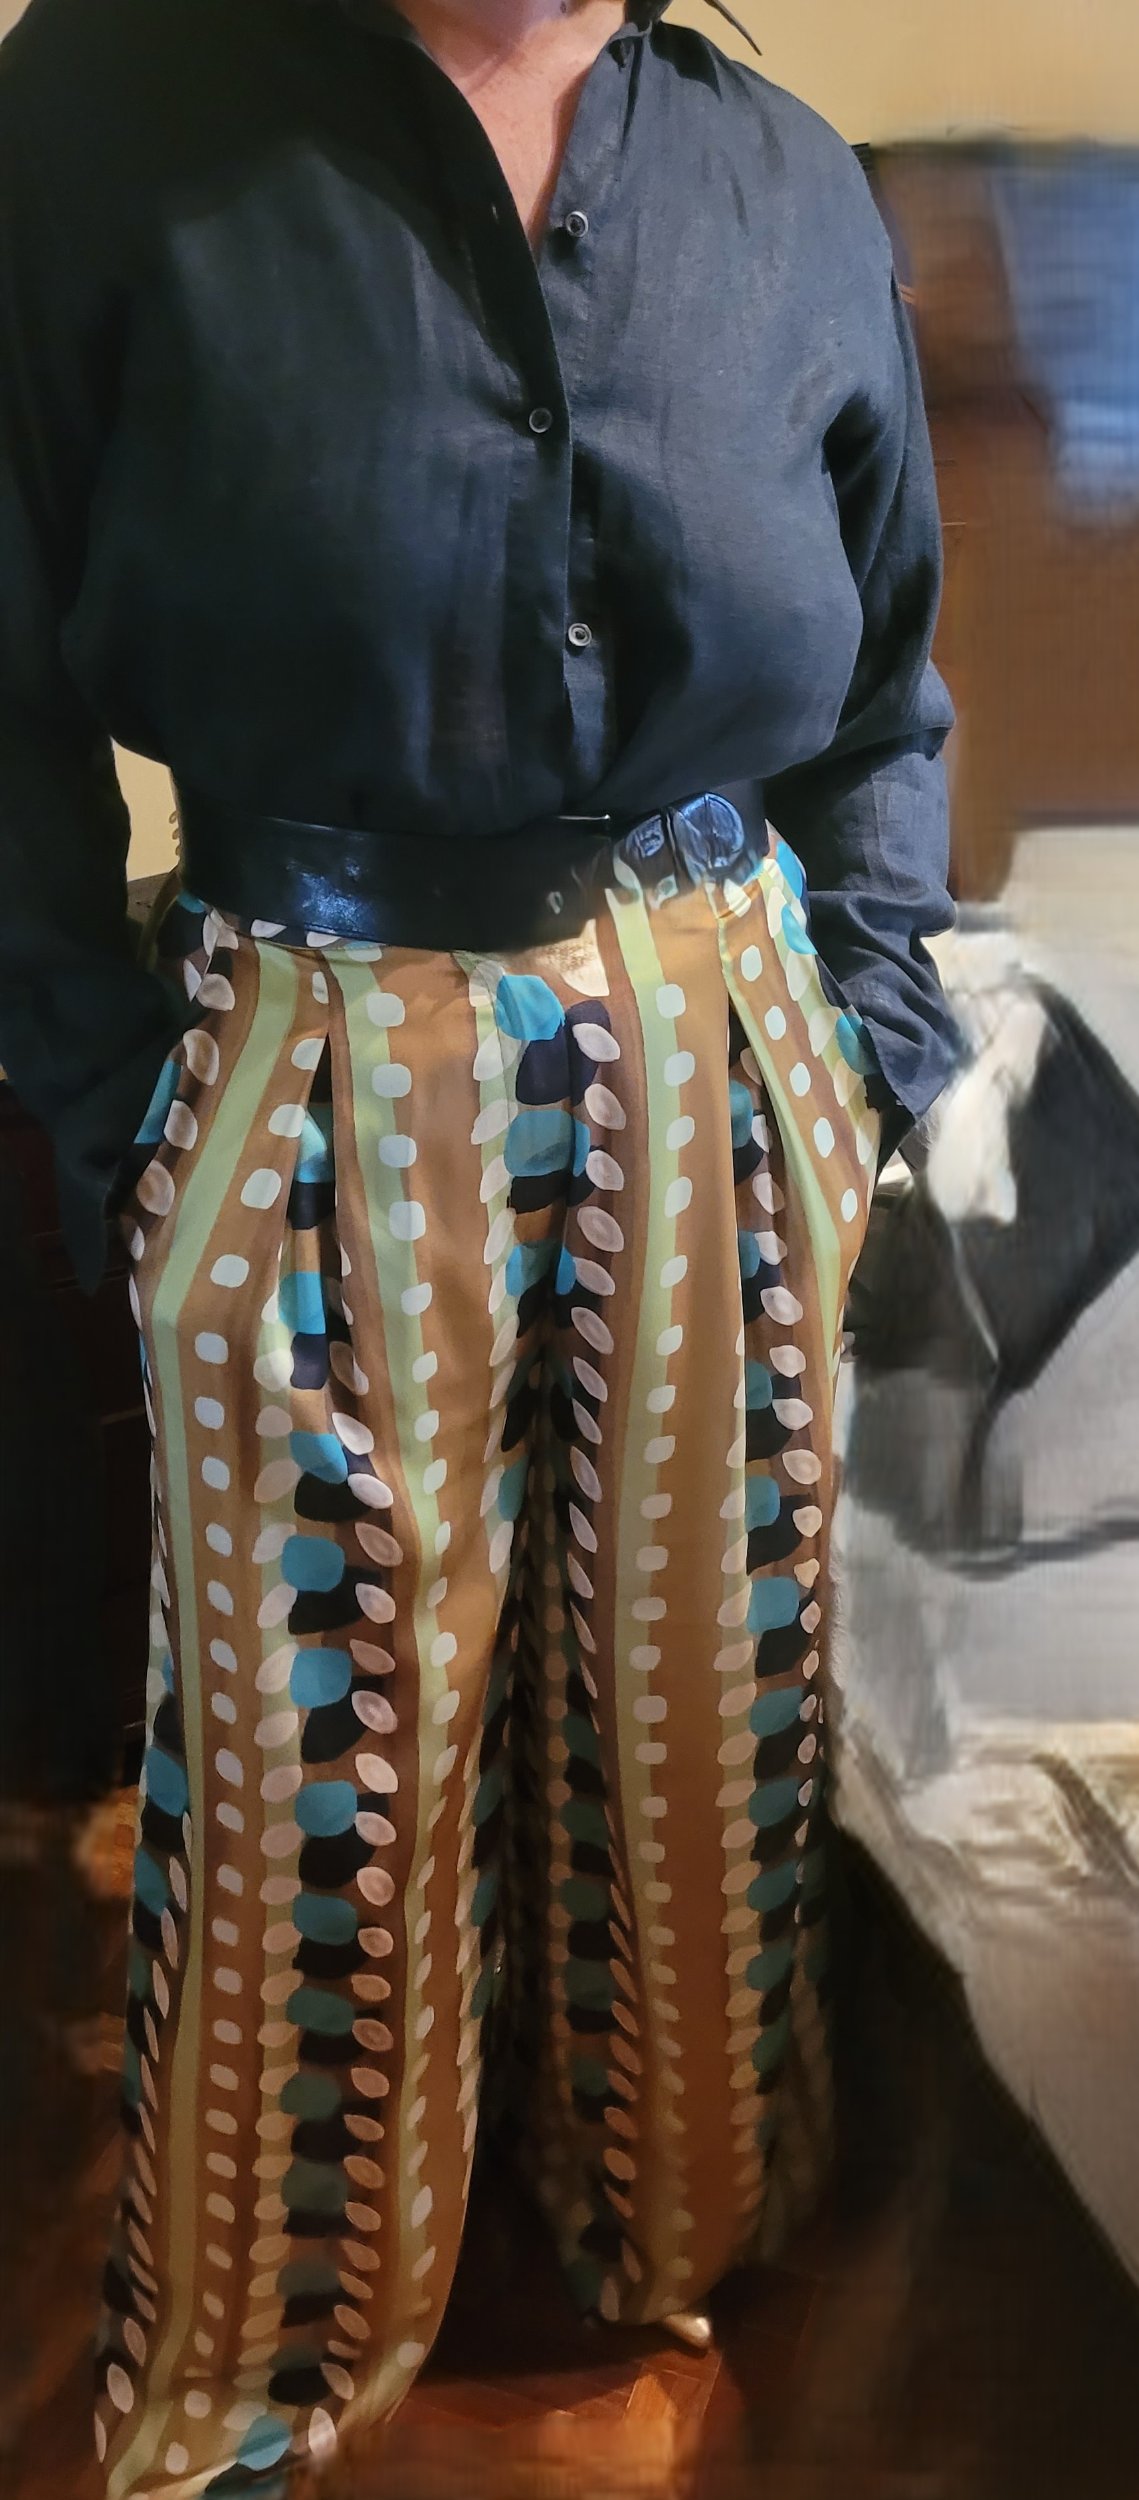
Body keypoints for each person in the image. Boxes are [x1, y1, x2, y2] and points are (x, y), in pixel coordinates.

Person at [0, 0, 962, 2491]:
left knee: (707, 1697)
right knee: (316, 1743)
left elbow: (886, 687)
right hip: (319, 1013)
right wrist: (124, 1111)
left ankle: (669, 2220)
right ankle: (275, 2352)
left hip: (727, 1019)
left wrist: (864, 1047)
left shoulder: (782, 179)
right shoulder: (100, 111)